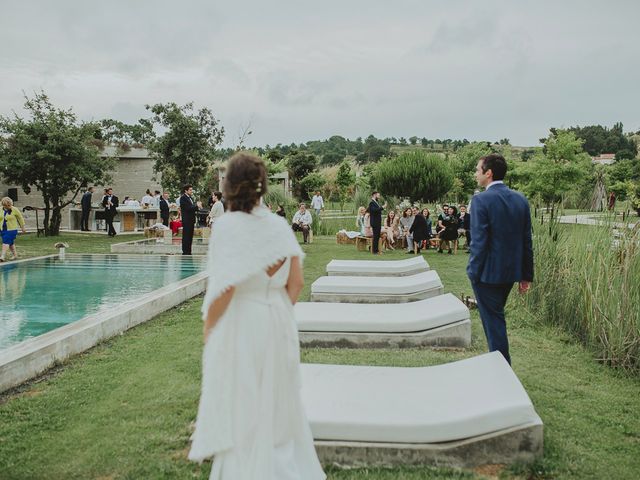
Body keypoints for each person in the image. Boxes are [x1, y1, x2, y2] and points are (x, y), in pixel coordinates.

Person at [189, 152, 325, 480]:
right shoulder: (279, 225)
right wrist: (274, 309)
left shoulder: (227, 228)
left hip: (243, 320)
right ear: (261, 185)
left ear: (230, 185)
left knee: (244, 401)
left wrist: (209, 330)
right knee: (279, 398)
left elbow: (225, 290)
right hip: (278, 318)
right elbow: (296, 283)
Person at [467, 154, 533, 365]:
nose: (476, 173)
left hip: (487, 274)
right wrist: (526, 275)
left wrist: (473, 272)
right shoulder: (520, 199)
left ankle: (501, 368)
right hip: (510, 273)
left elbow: (479, 241)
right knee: (495, 318)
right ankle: (497, 364)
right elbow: (526, 241)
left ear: (489, 173)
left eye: (478, 169)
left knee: (493, 321)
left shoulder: (480, 200)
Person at [1, 197, 27, 262]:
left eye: (9, 205)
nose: (8, 207)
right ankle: (15, 255)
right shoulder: (0, 209)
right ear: (3, 205)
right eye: (6, 205)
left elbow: (20, 218)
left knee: (6, 241)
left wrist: (23, 227)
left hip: (12, 229)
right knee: (10, 243)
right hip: (2, 229)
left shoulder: (15, 209)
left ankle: (2, 256)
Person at [179, 185, 197, 255]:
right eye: (190, 190)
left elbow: (192, 207)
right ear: (186, 191)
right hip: (187, 220)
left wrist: (197, 207)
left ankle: (189, 250)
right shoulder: (183, 198)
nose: (191, 191)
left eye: (191, 190)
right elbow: (188, 208)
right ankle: (185, 251)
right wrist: (196, 206)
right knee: (186, 236)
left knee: (190, 236)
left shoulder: (190, 198)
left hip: (191, 220)